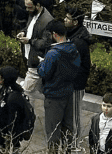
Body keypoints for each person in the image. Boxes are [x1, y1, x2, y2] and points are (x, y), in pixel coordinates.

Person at [37, 18, 81, 152]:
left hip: (54, 95)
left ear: (54, 34)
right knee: (67, 128)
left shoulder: (53, 53)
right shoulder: (73, 48)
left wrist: (41, 63)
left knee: (53, 130)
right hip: (68, 92)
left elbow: (44, 73)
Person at [64, 5, 91, 138]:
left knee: (74, 116)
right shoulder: (74, 34)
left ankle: (75, 144)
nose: (64, 20)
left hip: (76, 84)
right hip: (72, 82)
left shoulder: (79, 42)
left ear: (75, 22)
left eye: (67, 18)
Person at [0, 65, 28, 151]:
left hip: (7, 136)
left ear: (3, 79)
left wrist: (8, 138)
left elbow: (13, 121)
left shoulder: (13, 98)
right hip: (0, 130)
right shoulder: (4, 90)